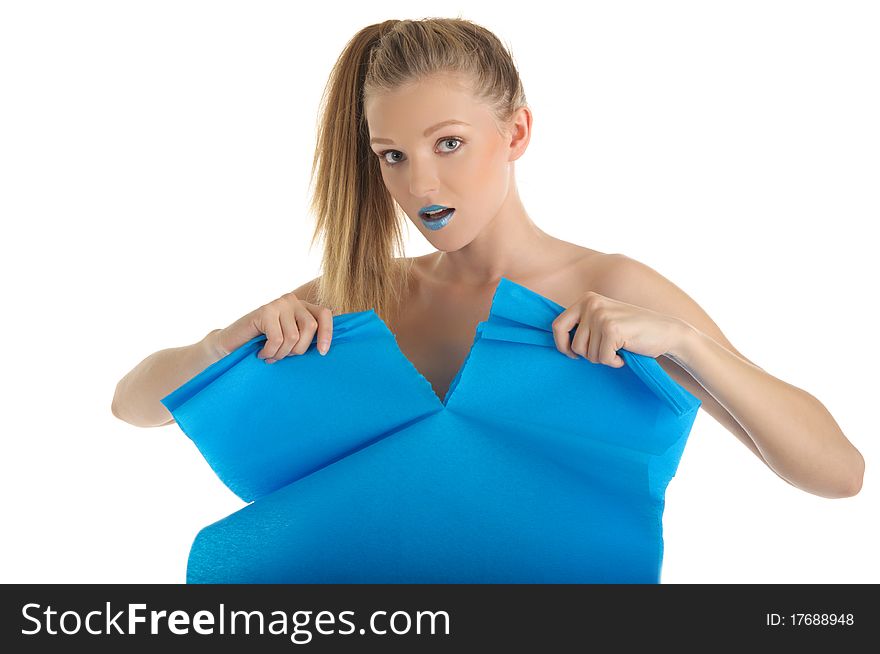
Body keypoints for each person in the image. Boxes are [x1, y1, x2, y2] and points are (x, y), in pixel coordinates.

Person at [112, 16, 863, 500]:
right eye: (392, 156)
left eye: (448, 144)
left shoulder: (607, 287)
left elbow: (838, 473)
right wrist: (222, 345)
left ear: (516, 133)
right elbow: (133, 406)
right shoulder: (362, 293)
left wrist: (690, 346)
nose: (422, 184)